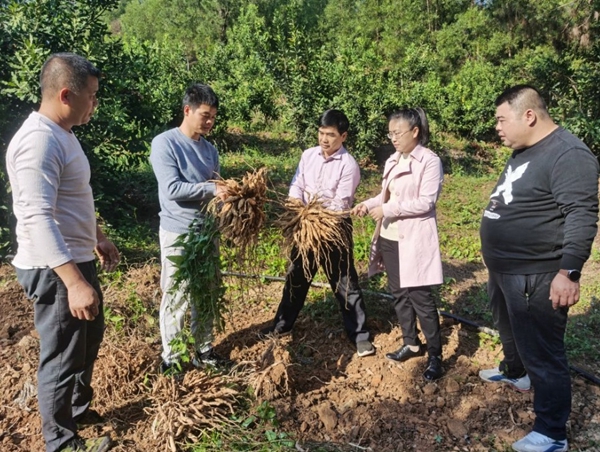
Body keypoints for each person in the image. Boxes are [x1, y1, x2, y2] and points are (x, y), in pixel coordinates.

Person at [6, 53, 119, 452]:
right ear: (66, 95)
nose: (95, 104)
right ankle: (62, 442)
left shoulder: (62, 133)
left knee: (87, 340)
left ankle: (76, 408)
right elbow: (36, 216)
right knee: (61, 357)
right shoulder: (38, 142)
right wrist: (73, 282)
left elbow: (71, 200)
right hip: (56, 270)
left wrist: (97, 236)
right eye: (92, 96)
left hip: (74, 258)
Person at [479, 85, 599, 452]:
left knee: (544, 353)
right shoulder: (523, 150)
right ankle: (517, 373)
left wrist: (569, 273)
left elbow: (581, 214)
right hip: (505, 268)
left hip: (536, 274)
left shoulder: (569, 155)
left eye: (502, 119)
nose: (497, 127)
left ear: (528, 115)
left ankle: (552, 433)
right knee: (510, 329)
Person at [260, 109, 374, 357]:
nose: (324, 139)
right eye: (321, 133)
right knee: (296, 277)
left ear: (343, 136)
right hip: (304, 224)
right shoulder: (308, 156)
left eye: (331, 135)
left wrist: (314, 216)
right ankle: (281, 326)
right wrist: (296, 206)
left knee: (344, 281)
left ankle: (360, 335)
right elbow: (297, 184)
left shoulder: (349, 165)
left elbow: (340, 204)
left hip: (333, 228)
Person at [352, 108, 444, 381]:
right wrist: (367, 204)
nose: (392, 138)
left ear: (415, 132)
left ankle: (435, 356)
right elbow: (385, 195)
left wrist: (389, 210)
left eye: (397, 132)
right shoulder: (394, 159)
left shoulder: (429, 161)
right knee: (400, 294)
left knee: (421, 299)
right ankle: (411, 342)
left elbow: (427, 201)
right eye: (390, 133)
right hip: (391, 237)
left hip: (414, 239)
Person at [150, 83, 229, 374]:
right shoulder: (165, 143)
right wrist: (212, 189)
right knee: (176, 294)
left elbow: (214, 192)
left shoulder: (210, 150)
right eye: (205, 115)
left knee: (207, 292)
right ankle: (172, 357)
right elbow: (172, 188)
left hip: (206, 233)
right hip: (178, 232)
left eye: (213, 117)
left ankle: (204, 349)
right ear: (187, 110)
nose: (209, 122)